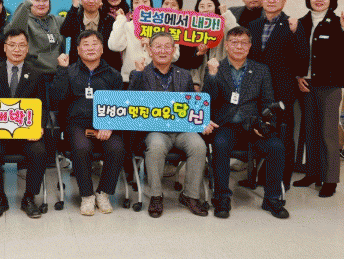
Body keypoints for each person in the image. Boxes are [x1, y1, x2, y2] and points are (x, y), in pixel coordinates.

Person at [202, 26, 289, 219]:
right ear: (226, 45)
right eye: (234, 42)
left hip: (253, 125)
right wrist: (212, 75)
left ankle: (272, 198)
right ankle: (222, 198)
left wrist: (266, 125)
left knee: (276, 147)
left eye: (243, 43)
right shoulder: (216, 68)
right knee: (220, 145)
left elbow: (268, 102)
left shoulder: (261, 70)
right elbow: (208, 100)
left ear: (250, 46)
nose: (239, 47)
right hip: (226, 125)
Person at [129, 31, 208, 218]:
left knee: (199, 145)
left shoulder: (185, 75)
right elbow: (130, 103)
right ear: (150, 50)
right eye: (158, 46)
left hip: (181, 130)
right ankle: (156, 196)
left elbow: (193, 106)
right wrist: (138, 74)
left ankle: (190, 196)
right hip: (155, 130)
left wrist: (203, 120)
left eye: (167, 47)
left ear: (173, 50)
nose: (162, 51)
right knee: (156, 146)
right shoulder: (140, 73)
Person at [0, 28, 48, 219]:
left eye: (22, 45)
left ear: (27, 48)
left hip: (25, 133)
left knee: (39, 150)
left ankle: (29, 198)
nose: (17, 49)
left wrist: (40, 126)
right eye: (12, 45)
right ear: (4, 48)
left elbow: (43, 106)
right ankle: (0, 198)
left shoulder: (37, 73)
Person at [50, 30, 125, 216]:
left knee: (117, 147)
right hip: (77, 124)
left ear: (102, 49)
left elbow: (120, 106)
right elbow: (56, 99)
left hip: (106, 123)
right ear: (77, 49)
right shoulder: (69, 71)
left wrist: (110, 124)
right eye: (85, 44)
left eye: (94, 44)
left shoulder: (113, 75)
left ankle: (103, 193)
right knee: (82, 147)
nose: (90, 48)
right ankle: (87, 195)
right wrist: (61, 70)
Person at [247, 0, 308, 188]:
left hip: (283, 90)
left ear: (284, 0)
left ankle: (282, 181)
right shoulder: (253, 25)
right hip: (256, 90)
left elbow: (302, 59)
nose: (271, 0)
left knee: (284, 135)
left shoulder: (292, 25)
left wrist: (295, 33)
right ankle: (257, 177)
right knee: (258, 131)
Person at [294, 0, 344, 197]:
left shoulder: (338, 23)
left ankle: (330, 179)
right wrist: (298, 76)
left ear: (331, 0)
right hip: (306, 85)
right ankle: (313, 173)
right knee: (310, 132)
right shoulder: (301, 22)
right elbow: (295, 53)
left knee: (328, 133)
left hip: (330, 86)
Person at [108, 0, 179, 85]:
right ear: (132, 8)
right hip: (130, 80)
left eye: (145, 1)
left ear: (151, 5)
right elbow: (114, 46)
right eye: (136, 2)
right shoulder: (126, 26)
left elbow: (175, 55)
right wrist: (120, 19)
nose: (141, 5)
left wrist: (154, 45)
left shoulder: (164, 27)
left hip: (157, 80)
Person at [5, 0, 65, 77]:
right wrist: (25, 5)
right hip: (33, 74)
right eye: (37, 0)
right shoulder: (25, 20)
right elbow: (12, 30)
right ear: (30, 2)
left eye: (45, 0)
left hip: (57, 74)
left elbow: (76, 21)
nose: (41, 4)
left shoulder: (57, 20)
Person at [60, 0, 118, 70]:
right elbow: (64, 32)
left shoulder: (109, 20)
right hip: (77, 69)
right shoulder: (75, 17)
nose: (91, 1)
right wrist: (74, 7)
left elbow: (113, 50)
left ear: (101, 0)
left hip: (103, 69)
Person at [190, 0, 237, 90]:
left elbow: (237, 35)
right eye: (202, 6)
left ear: (216, 8)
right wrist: (195, 82)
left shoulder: (224, 26)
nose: (205, 9)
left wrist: (225, 14)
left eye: (209, 6)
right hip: (201, 83)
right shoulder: (193, 31)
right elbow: (191, 61)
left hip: (223, 80)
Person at [160, 0, 204, 75]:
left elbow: (194, 63)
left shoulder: (187, 31)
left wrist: (200, 53)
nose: (169, 7)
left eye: (173, 5)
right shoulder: (154, 28)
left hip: (180, 75)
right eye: (166, 4)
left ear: (180, 10)